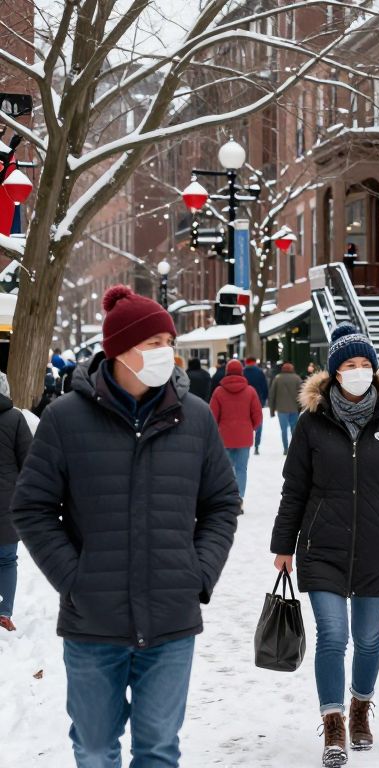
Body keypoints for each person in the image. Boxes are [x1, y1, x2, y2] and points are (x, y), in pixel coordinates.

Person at [11, 284, 240, 767]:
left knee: (158, 749)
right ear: (120, 350)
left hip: (171, 621)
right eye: (154, 343)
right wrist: (74, 579)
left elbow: (221, 502)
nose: (166, 354)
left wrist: (199, 572)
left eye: (168, 344)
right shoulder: (64, 419)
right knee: (94, 747)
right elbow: (31, 507)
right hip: (94, 624)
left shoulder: (195, 418)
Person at [270, 323, 379, 768]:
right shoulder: (312, 423)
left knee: (369, 638)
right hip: (322, 545)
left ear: (374, 371)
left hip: (377, 546)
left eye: (364, 365)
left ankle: (360, 709)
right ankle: (333, 720)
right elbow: (294, 487)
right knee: (333, 636)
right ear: (335, 373)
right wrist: (284, 543)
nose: (358, 372)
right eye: (349, 365)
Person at [0, 372, 32, 631]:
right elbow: (29, 463)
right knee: (7, 560)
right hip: (7, 503)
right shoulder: (15, 419)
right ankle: (3, 611)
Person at [210, 360, 262, 499]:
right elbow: (257, 416)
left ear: (227, 371)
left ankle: (227, 499)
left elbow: (212, 417)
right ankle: (239, 499)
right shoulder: (250, 391)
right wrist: (249, 427)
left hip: (224, 438)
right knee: (241, 470)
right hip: (244, 438)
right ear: (241, 372)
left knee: (225, 471)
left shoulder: (218, 391)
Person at [268, 361, 303, 453]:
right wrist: (301, 408)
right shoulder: (297, 378)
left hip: (281, 409)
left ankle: (285, 448)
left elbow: (272, 394)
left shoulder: (277, 378)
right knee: (294, 429)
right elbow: (302, 394)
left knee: (283, 430)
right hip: (294, 409)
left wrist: (272, 410)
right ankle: (293, 448)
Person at [243, 357, 269, 455]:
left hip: (245, 401)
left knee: (246, 422)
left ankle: (245, 444)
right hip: (258, 400)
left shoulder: (243, 372)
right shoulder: (260, 372)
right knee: (258, 422)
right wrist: (264, 398)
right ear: (254, 363)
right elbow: (265, 386)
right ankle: (257, 446)